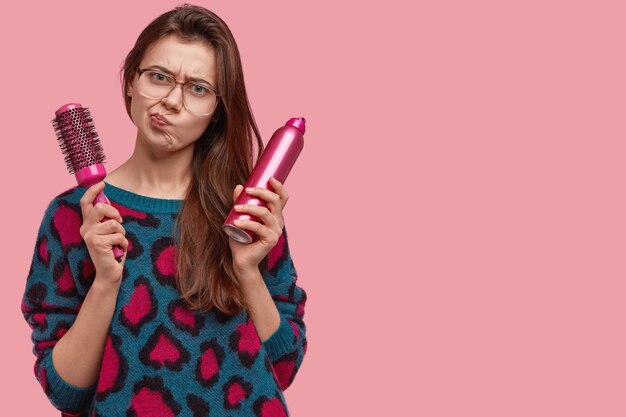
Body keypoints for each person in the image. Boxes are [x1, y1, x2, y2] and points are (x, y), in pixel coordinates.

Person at [21, 4, 307, 416]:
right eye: (159, 77)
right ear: (131, 83)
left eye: (197, 88)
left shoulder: (246, 214)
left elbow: (283, 367)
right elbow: (64, 392)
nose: (171, 101)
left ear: (217, 112)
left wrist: (246, 269)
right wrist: (106, 281)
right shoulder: (73, 216)